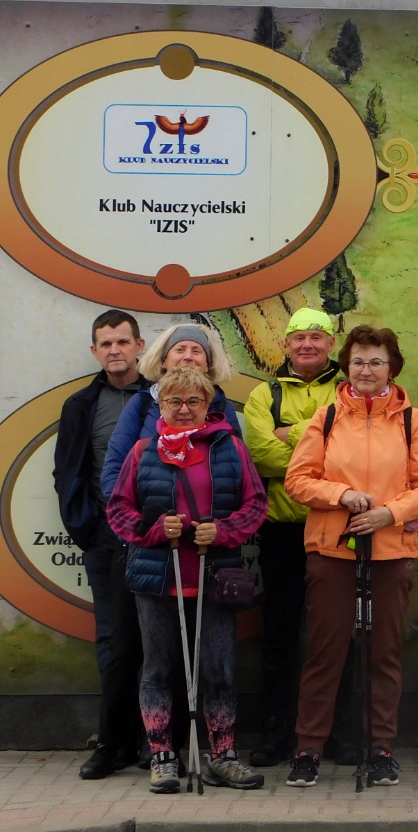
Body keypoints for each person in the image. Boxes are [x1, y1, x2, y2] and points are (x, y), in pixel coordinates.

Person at [283, 325, 418, 788]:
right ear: (347, 366)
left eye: (376, 362)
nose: (366, 370)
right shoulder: (327, 417)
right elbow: (298, 480)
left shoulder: (413, 420)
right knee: (325, 652)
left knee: (384, 652)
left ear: (392, 368)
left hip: (390, 551)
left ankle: (381, 750)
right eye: (358, 362)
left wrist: (388, 514)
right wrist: (342, 495)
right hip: (332, 550)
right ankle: (308, 750)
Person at [105, 366, 267, 793]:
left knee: (220, 671)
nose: (183, 409)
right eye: (174, 401)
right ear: (160, 405)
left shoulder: (230, 448)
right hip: (158, 578)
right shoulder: (143, 451)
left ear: (208, 406)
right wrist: (156, 530)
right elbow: (119, 510)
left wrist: (224, 531)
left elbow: (255, 505)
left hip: (214, 577)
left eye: (193, 401)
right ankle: (162, 757)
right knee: (157, 670)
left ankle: (223, 756)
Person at [242, 307, 345, 769]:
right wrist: (318, 438)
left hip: (336, 527)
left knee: (335, 635)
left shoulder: (347, 390)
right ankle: (277, 733)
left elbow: (347, 456)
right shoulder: (263, 394)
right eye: (299, 337)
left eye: (316, 337)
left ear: (330, 345)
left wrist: (294, 433)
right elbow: (260, 455)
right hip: (282, 531)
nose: (307, 344)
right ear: (285, 344)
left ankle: (336, 733)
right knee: (280, 634)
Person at [55, 309, 149, 780]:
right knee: (114, 642)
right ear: (95, 351)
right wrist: (87, 529)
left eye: (122, 341)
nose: (115, 350)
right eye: (106, 343)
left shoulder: (160, 398)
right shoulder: (81, 404)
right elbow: (67, 471)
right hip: (107, 538)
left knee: (156, 641)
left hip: (158, 536)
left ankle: (156, 741)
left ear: (140, 346)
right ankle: (112, 743)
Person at [100, 323, 244, 502]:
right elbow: (115, 467)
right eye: (180, 349)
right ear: (164, 361)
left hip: (212, 515)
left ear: (208, 364)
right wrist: (131, 515)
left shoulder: (221, 407)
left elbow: (241, 468)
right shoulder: (142, 403)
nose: (188, 357)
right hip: (150, 514)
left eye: (197, 351)